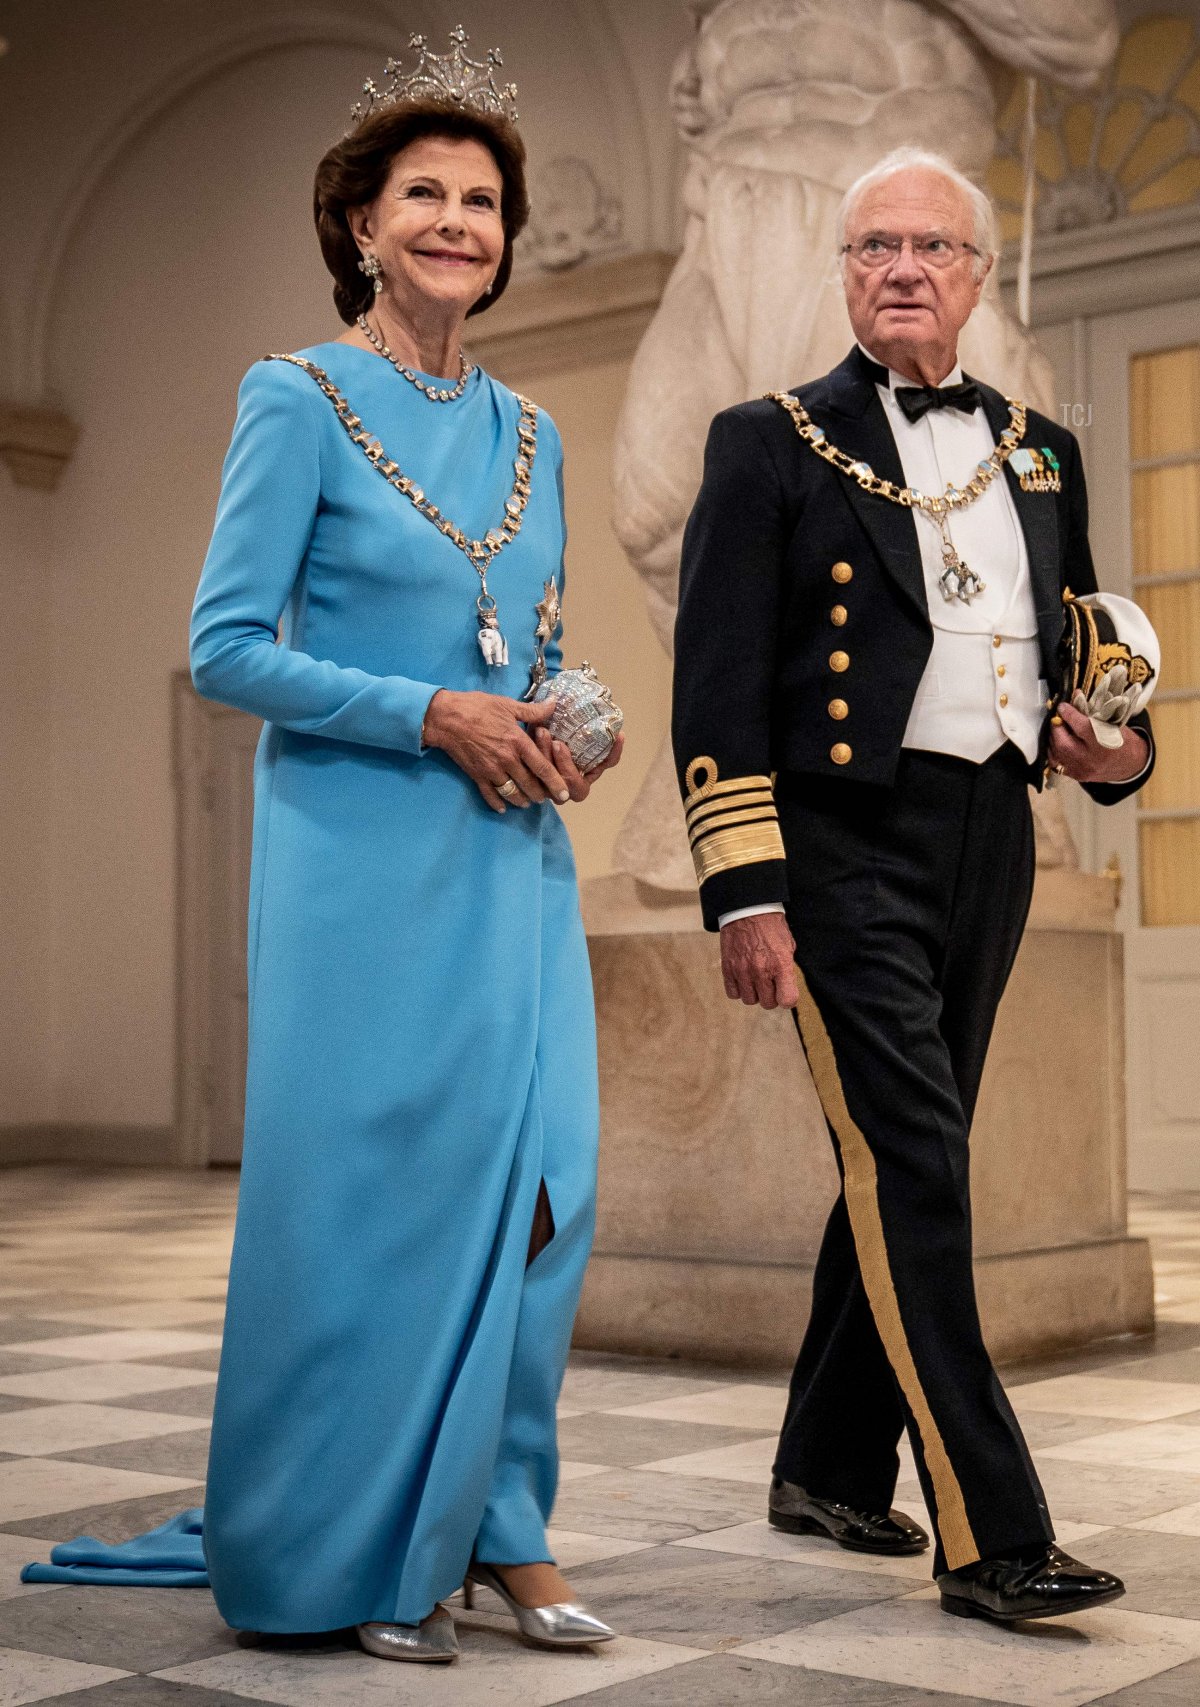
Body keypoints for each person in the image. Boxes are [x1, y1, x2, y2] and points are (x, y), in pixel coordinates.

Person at [22, 31, 622, 1663]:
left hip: (508, 863)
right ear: (358, 222)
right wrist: (430, 713)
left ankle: (504, 1527)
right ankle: (371, 1549)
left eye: (482, 199)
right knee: (378, 1207)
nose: (457, 220)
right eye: (422, 192)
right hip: (361, 863)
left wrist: (561, 715)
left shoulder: (536, 434)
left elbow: (527, 640)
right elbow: (226, 649)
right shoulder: (291, 398)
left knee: (545, 1197)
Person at [672, 146, 1153, 1626]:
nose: (901, 267)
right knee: (923, 1166)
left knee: (893, 1161)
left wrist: (1113, 752)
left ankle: (822, 1462)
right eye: (873, 243)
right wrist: (745, 887)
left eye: (930, 247)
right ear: (844, 270)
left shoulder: (1042, 449)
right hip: (834, 844)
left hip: (991, 840)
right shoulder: (769, 442)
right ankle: (991, 1532)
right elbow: (717, 683)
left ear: (976, 275)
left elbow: (1085, 653)